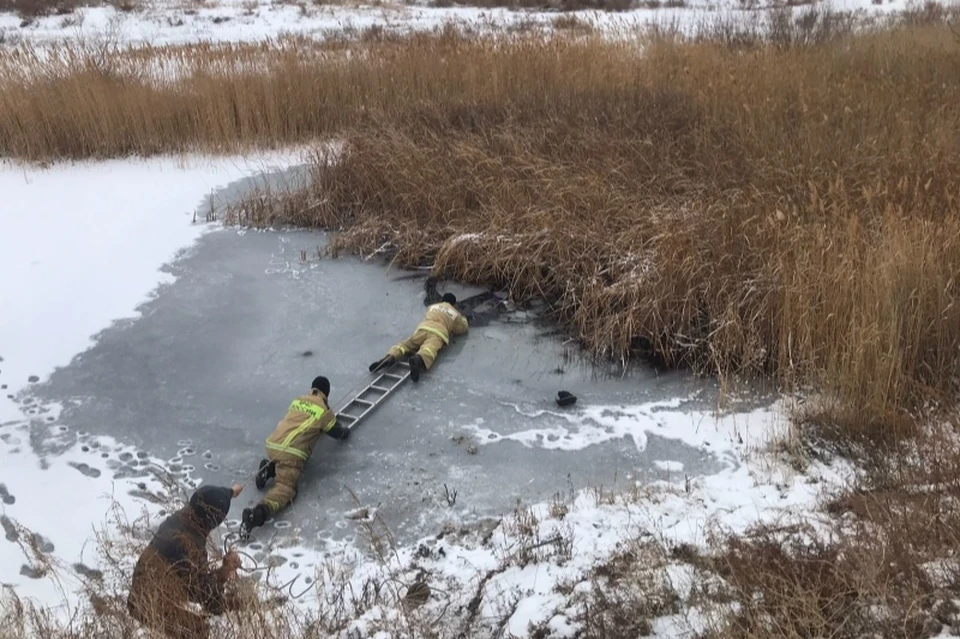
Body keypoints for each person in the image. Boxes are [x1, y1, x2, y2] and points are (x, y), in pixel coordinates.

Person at [127, 484, 244, 639]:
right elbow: (203, 595)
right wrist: (226, 569)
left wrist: (229, 492)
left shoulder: (183, 517)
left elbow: (209, 497)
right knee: (198, 631)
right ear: (214, 521)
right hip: (146, 605)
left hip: (143, 589)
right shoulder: (190, 544)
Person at [241, 376, 349, 536]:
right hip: (291, 453)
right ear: (326, 393)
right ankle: (258, 513)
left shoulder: (299, 400)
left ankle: (270, 468)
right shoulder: (323, 409)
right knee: (286, 488)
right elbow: (336, 431)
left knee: (282, 460)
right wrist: (345, 432)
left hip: (273, 444)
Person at [369, 293, 469, 382]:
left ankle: (390, 357)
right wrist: (464, 318)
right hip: (438, 333)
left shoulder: (433, 306)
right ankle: (418, 359)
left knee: (405, 345)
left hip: (422, 328)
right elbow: (461, 328)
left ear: (442, 300)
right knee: (429, 349)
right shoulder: (455, 313)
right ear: (454, 304)